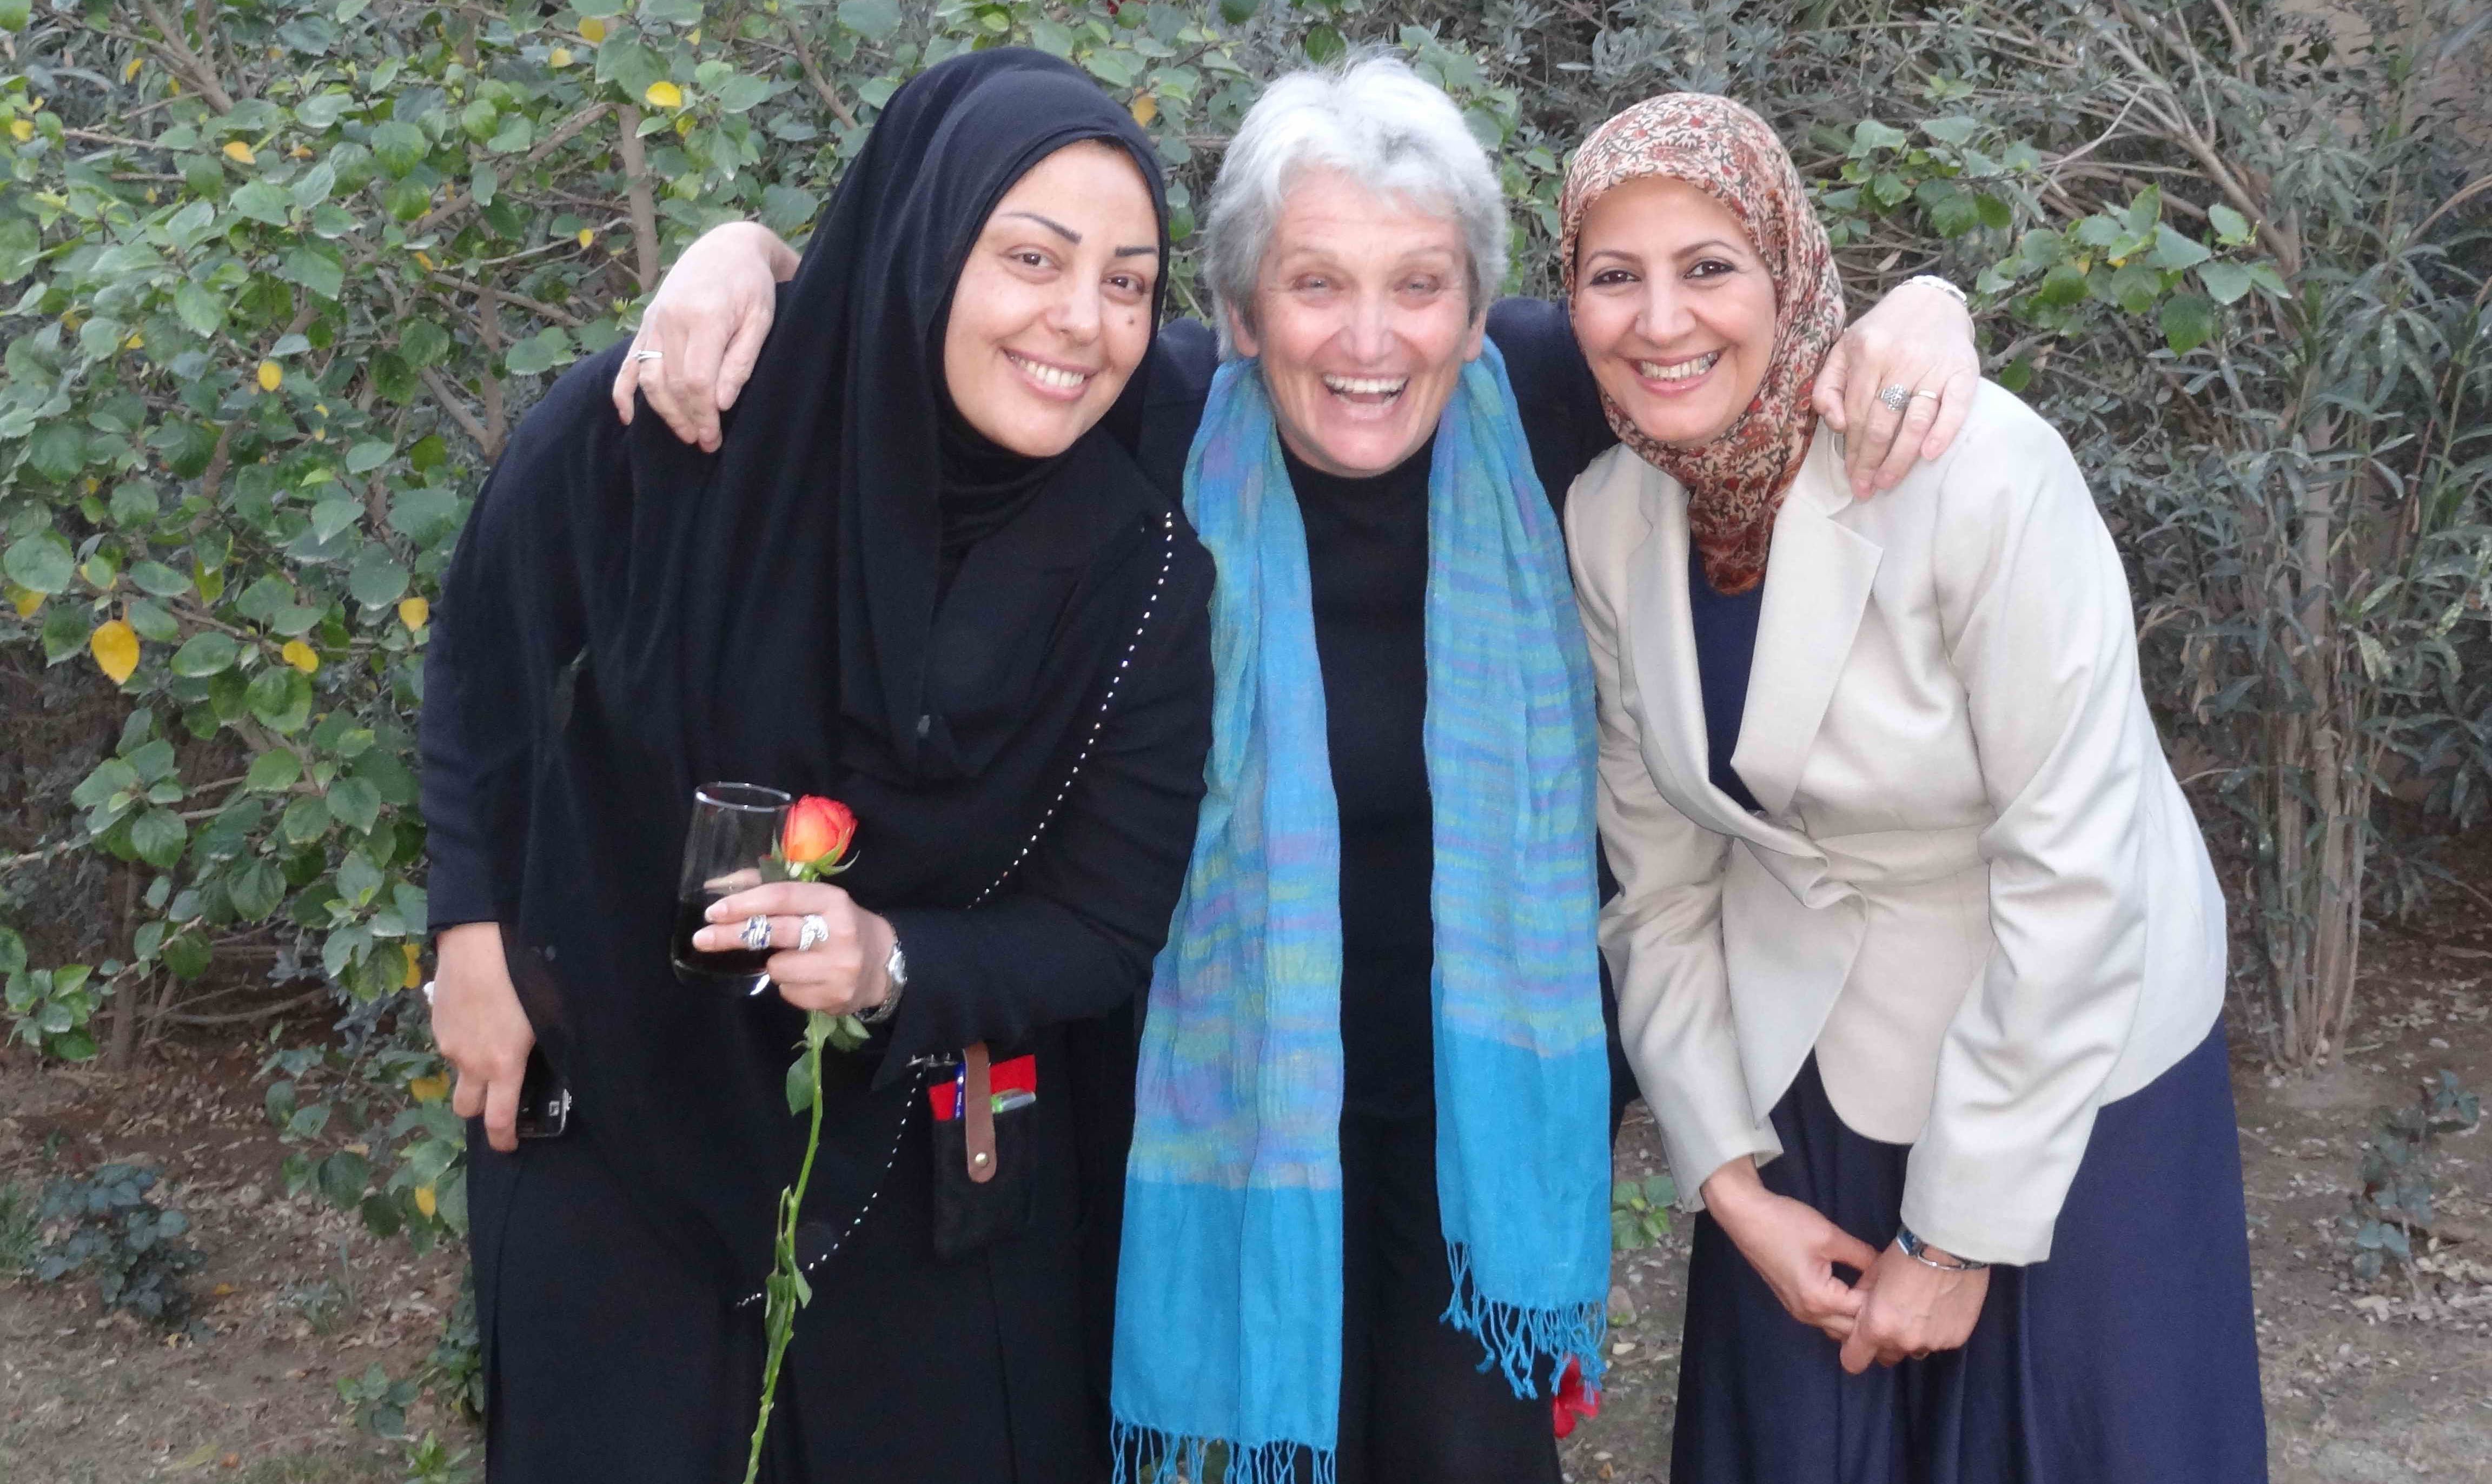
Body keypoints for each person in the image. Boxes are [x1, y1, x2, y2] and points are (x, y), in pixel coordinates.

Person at [615, 56, 1984, 1484]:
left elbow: (1743, 331)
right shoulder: (1146, 421)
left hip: (1474, 1120)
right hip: (1203, 1099)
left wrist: (1926, 309)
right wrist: (745, 257)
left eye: (1422, 285)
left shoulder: (1558, 406)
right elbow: (913, 316)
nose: (1371, 337)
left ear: (1477, 310)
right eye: (1316, 284)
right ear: (1243, 311)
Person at [417, 50, 1214, 1483]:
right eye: (1028, 256)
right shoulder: (696, 414)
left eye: (1129, 280)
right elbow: (492, 628)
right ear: (921, 243)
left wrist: (890, 963)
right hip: (611, 1122)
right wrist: (469, 931)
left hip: (922, 1173)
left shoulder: (1135, 562)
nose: (1079, 321)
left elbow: (1102, 922)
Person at [1559, 93, 2266, 1483]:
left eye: (1709, 265)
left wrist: (1958, 1237)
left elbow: (2080, 868)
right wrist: (1727, 1180)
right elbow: (1657, 887)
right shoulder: (1608, 517)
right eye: (1611, 276)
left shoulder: (1974, 469)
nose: (1660, 320)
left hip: (2072, 1061)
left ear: (1790, 268)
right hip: (1809, 1068)